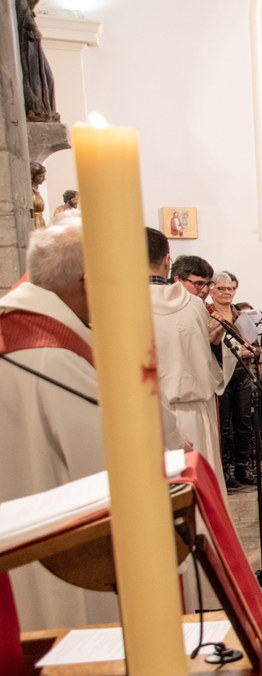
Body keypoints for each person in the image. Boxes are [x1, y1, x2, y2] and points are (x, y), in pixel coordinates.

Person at [0, 224, 179, 630]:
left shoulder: (19, 329)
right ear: (88, 279)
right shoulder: (55, 359)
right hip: (71, 559)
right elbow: (108, 472)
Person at [147, 228, 228, 493]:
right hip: (196, 412)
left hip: (149, 417)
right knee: (201, 494)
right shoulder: (194, 305)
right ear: (167, 261)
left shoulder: (121, 305)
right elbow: (209, 366)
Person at [208, 271, 260, 486]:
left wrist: (252, 350)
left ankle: (242, 466)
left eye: (230, 289)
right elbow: (206, 345)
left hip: (242, 373)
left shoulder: (241, 316)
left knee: (244, 423)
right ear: (211, 290)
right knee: (224, 425)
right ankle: (224, 469)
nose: (227, 292)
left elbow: (257, 347)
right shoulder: (207, 313)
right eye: (221, 288)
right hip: (220, 374)